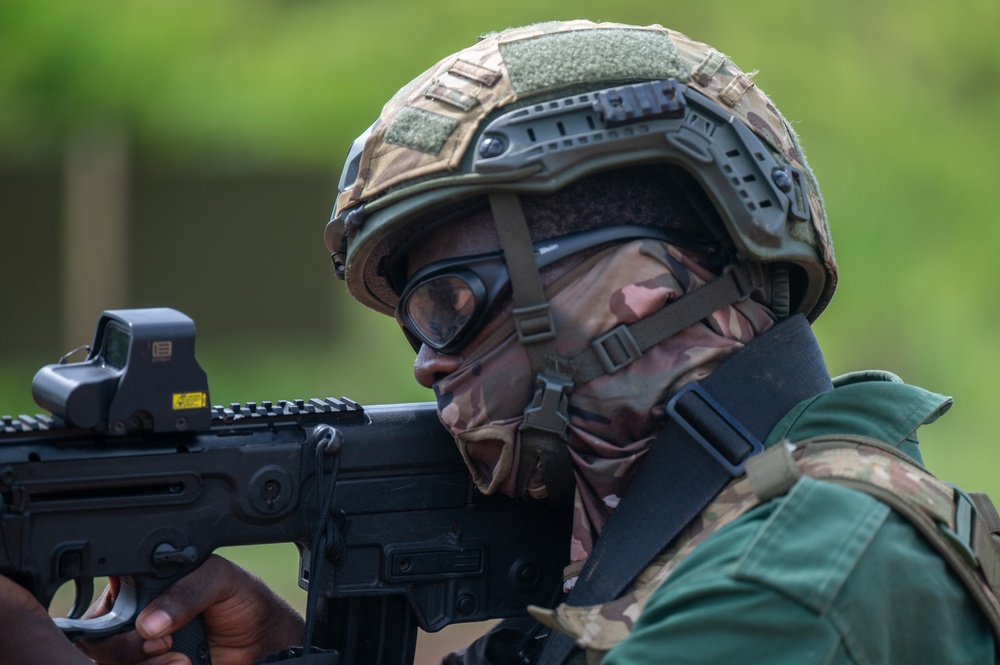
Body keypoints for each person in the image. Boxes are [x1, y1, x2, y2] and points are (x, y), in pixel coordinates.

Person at [2, 18, 998, 665]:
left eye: (448, 304)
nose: (428, 361)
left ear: (638, 290)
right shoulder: (677, 553)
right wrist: (278, 653)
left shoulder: (791, 579)